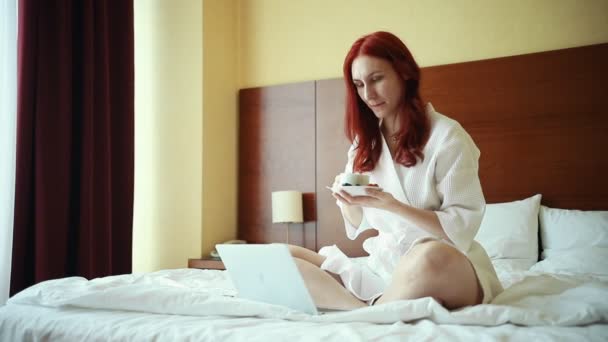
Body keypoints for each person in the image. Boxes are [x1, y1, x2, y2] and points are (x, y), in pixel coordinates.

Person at [287, 31, 503, 311]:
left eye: (377, 79)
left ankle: (369, 310)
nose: (368, 94)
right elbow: (359, 222)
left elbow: (460, 228)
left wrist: (393, 205)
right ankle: (364, 311)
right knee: (285, 256)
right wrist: (347, 200)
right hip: (385, 267)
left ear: (405, 73)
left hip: (446, 264)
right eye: (359, 84)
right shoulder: (364, 144)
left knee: (429, 256)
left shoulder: (447, 136)